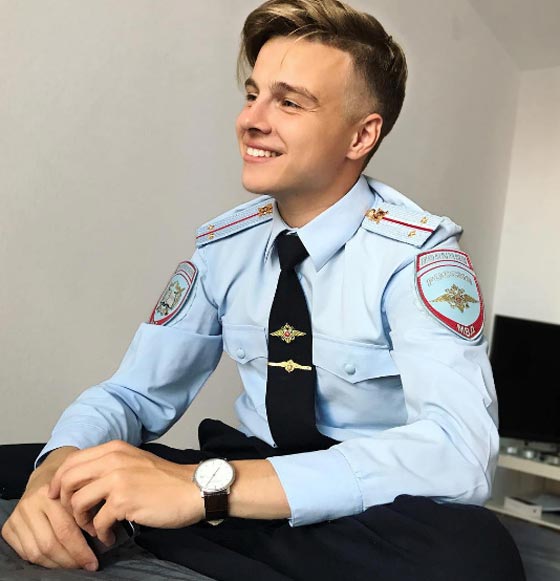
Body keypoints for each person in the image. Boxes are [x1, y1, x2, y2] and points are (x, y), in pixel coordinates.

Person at [0, 0, 526, 579]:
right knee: (31, 468)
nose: (250, 119)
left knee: (475, 554)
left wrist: (204, 488)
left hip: (363, 500)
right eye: (252, 95)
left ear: (361, 135)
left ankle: (174, 524)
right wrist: (54, 473)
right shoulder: (224, 246)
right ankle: (174, 519)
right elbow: (131, 396)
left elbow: (458, 450)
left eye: (289, 102)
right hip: (245, 469)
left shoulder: (418, 255)